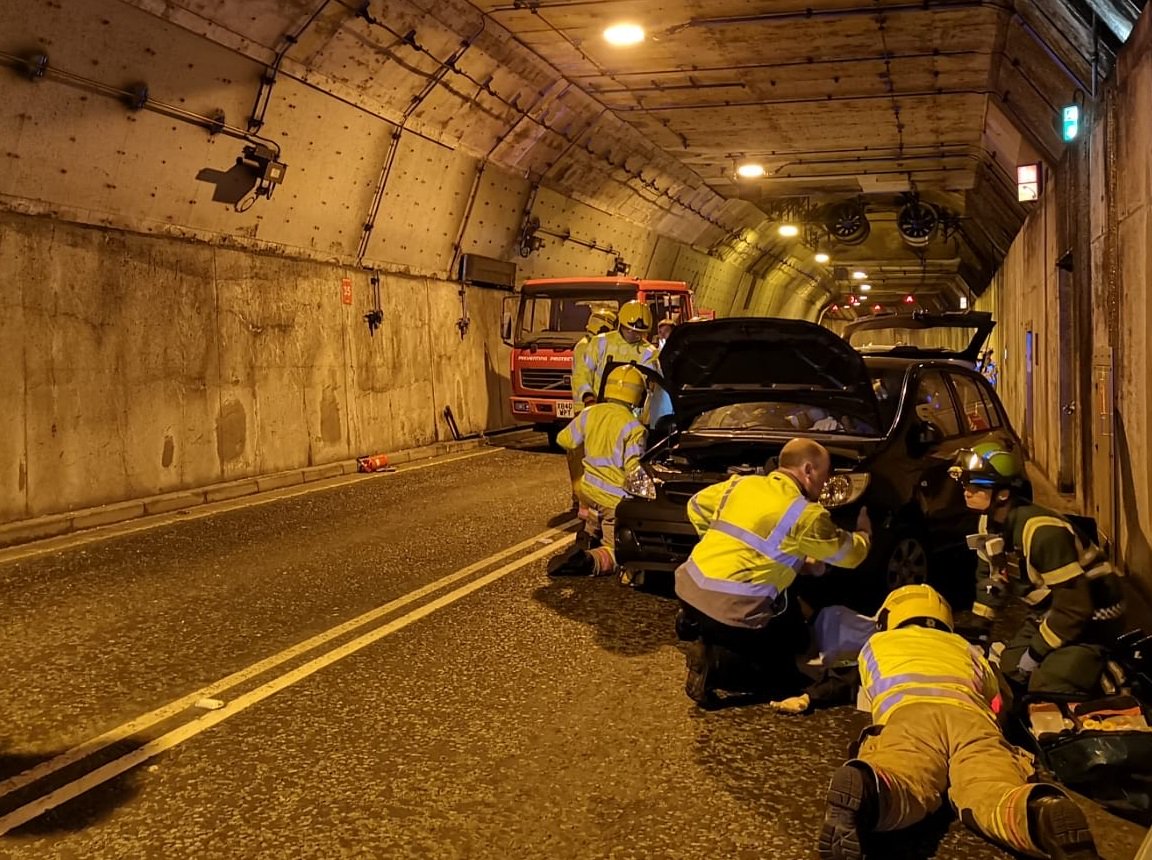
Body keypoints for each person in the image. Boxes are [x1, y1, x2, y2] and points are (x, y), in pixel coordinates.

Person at [818, 584, 1101, 860]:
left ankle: (870, 789)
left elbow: (866, 685)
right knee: (989, 787)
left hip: (911, 714)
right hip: (972, 718)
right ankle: (1038, 814)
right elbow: (999, 699)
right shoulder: (967, 648)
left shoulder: (877, 644)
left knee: (906, 774)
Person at [675, 438, 872, 707]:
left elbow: (695, 506)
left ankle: (693, 622)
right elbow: (850, 556)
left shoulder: (740, 484)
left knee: (786, 626)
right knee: (786, 676)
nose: (825, 484)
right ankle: (714, 665)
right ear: (808, 470)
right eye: (825, 475)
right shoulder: (804, 514)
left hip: (688, 586)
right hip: (731, 606)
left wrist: (717, 544)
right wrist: (864, 534)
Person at [949, 443, 1126, 696]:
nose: (967, 492)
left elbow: (1075, 609)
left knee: (1046, 686)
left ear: (1003, 494)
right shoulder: (989, 524)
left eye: (976, 486)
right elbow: (991, 579)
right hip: (1050, 612)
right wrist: (979, 632)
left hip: (1093, 620)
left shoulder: (1042, 533)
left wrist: (1036, 653)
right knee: (1009, 671)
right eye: (965, 484)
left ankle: (1107, 671)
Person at [547, 365, 648, 578]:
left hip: (588, 493)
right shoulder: (634, 428)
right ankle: (588, 561)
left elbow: (564, 439)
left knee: (592, 520)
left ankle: (585, 538)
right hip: (613, 501)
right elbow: (634, 470)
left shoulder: (590, 414)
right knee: (615, 552)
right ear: (638, 397)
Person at [566, 307, 617, 517]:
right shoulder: (587, 347)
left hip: (588, 407)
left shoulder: (587, 344)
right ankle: (583, 500)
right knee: (585, 456)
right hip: (588, 407)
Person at [574, 300, 659, 407]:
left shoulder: (650, 353)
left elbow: (652, 389)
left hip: (631, 412)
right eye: (629, 330)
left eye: (639, 332)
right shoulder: (600, 343)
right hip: (598, 406)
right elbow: (582, 373)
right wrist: (588, 397)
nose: (634, 335)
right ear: (620, 324)